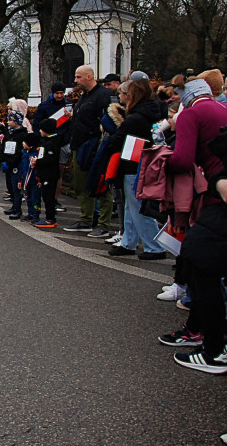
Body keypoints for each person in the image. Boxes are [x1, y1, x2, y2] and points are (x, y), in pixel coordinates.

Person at [159, 80, 227, 371]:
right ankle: (198, 330)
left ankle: (213, 349)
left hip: (212, 195)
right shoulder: (220, 109)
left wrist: (162, 160)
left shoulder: (191, 114)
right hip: (214, 188)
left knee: (199, 258)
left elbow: (183, 158)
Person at [105, 80, 165, 259]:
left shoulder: (135, 119)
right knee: (132, 207)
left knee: (138, 206)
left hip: (134, 164)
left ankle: (154, 246)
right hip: (142, 162)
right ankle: (128, 242)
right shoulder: (151, 114)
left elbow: (116, 140)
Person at [64, 65, 115, 238]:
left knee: (100, 186)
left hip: (95, 147)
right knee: (81, 185)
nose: (76, 81)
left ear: (89, 76)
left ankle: (103, 224)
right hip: (80, 146)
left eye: (79, 77)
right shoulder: (83, 97)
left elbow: (108, 120)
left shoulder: (103, 96)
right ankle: (86, 218)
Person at [33, 119, 63, 229]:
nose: (40, 131)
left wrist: (38, 161)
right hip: (45, 174)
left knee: (49, 197)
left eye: (41, 129)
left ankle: (50, 219)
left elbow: (50, 159)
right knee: (46, 196)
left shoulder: (52, 143)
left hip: (49, 175)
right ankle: (49, 218)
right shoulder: (46, 142)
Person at [19, 133, 42, 224]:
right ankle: (30, 213)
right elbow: (22, 167)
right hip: (26, 180)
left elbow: (40, 168)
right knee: (28, 198)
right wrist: (20, 179)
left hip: (35, 181)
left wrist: (40, 179)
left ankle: (36, 214)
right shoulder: (25, 153)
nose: (23, 143)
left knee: (35, 199)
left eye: (25, 142)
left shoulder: (37, 154)